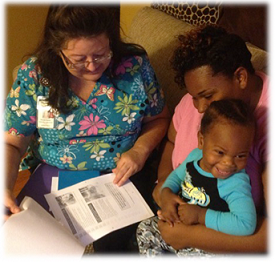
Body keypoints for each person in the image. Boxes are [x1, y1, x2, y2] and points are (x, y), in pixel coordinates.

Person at [4, 5, 170, 252]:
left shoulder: (134, 67)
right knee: (28, 244)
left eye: (101, 54)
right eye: (78, 60)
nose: (92, 66)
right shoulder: (36, 75)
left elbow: (159, 118)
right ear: (58, 50)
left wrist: (140, 150)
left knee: (115, 249)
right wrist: (4, 187)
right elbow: (12, 142)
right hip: (56, 177)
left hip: (121, 177)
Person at [152, 24, 268, 253]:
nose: (200, 108)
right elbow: (171, 141)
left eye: (207, 96)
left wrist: (190, 236)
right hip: (174, 206)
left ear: (241, 77)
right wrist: (164, 185)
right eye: (194, 97)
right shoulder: (195, 100)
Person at [137, 99, 257, 256]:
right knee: (144, 228)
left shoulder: (235, 182)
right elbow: (175, 178)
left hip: (206, 244)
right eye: (220, 152)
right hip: (179, 226)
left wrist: (201, 216)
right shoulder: (194, 156)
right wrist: (166, 194)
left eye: (241, 155)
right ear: (201, 140)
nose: (228, 163)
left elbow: (246, 224)